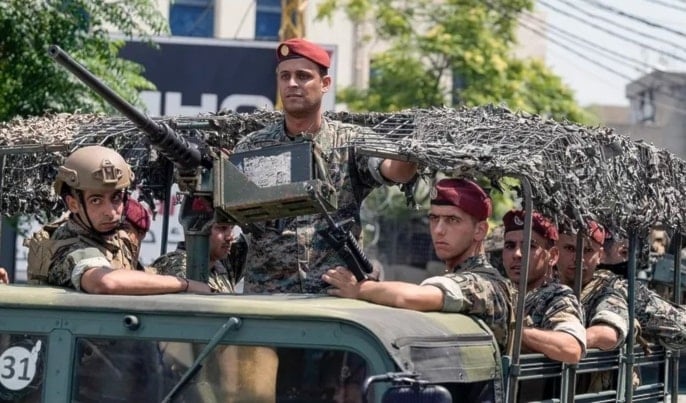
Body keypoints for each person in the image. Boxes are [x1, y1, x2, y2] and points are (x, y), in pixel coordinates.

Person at [233, 38, 417, 294]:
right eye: (285, 76)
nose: (292, 84)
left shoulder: (351, 142)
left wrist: (410, 151)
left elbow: (393, 170)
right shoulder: (253, 148)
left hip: (330, 300)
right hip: (267, 301)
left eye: (303, 76)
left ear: (325, 84)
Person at [323, 178, 514, 351]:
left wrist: (360, 289)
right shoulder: (456, 275)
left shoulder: (484, 283)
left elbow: (412, 298)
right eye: (434, 218)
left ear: (480, 230)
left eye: (452, 220)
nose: (439, 230)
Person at [26, 145, 211, 295]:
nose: (111, 212)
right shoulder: (66, 246)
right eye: (96, 200)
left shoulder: (109, 232)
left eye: (116, 198)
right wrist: (183, 284)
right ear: (73, 204)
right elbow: (106, 282)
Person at [501, 210, 585, 364]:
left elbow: (571, 348)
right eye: (510, 246)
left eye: (530, 246)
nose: (517, 254)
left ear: (552, 256)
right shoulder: (502, 292)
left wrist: (512, 332)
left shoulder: (557, 297)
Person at [556, 221, 630, 392]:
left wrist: (563, 343)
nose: (578, 258)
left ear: (600, 256)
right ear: (555, 250)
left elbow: (608, 331)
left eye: (587, 250)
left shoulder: (606, 289)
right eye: (569, 248)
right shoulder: (545, 287)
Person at [149, 216, 237, 293]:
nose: (230, 236)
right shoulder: (178, 266)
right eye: (222, 228)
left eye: (231, 228)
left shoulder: (221, 268)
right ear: (200, 230)